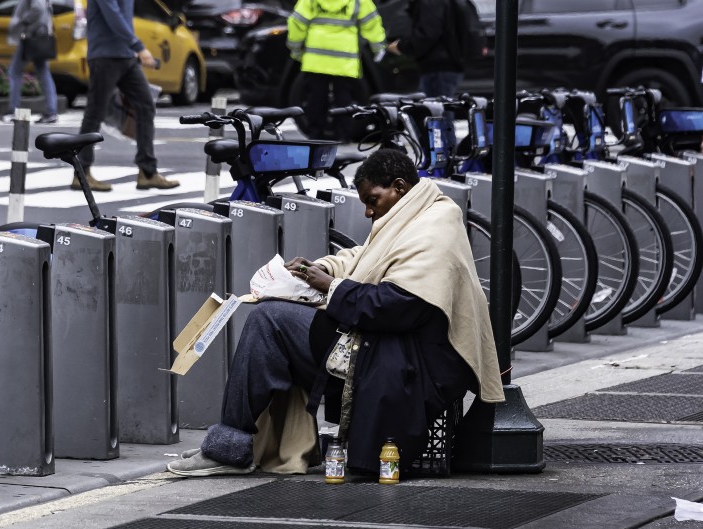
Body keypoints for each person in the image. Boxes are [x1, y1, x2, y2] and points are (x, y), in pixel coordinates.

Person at [167, 148, 505, 479]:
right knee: (272, 315)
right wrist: (319, 268)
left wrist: (331, 286)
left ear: (399, 187)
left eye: (373, 200)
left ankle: (228, 449)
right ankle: (255, 447)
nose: (368, 212)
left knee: (268, 320)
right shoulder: (418, 212)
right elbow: (366, 256)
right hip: (387, 346)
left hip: (404, 361)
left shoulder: (434, 228)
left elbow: (396, 305)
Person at [71, 0, 179, 192]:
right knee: (95, 113)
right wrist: (138, 46)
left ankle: (147, 172)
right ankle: (81, 174)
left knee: (146, 105)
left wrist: (133, 49)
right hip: (105, 56)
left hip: (126, 57)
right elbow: (113, 15)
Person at [286, 0, 387, 142]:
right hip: (344, 58)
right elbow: (371, 22)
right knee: (343, 100)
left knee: (316, 98)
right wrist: (378, 46)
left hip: (317, 57)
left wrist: (294, 46)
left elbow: (297, 21)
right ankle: (343, 136)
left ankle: (316, 135)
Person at [387, 0, 470, 98]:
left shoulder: (431, 3)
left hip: (438, 67)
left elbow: (427, 34)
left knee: (436, 109)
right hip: (447, 63)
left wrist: (400, 46)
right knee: (442, 107)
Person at [2, 0, 59, 124]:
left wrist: (23, 22)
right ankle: (51, 112)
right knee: (43, 73)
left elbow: (38, 8)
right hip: (40, 35)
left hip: (31, 36)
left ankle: (13, 111)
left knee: (15, 72)